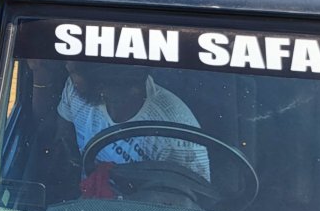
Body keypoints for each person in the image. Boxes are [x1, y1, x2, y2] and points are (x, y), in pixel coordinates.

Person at [29, 61, 211, 200]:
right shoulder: (75, 92)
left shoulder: (176, 133)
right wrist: (40, 74)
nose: (67, 66)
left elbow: (189, 206)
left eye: (75, 72)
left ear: (102, 84)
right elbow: (57, 139)